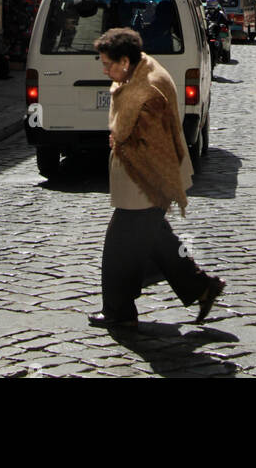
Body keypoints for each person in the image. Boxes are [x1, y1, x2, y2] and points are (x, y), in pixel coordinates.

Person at [90, 27, 225, 329]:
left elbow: (153, 145)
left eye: (107, 63)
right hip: (147, 181)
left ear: (124, 61)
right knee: (156, 240)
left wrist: (122, 143)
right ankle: (202, 287)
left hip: (148, 181)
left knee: (119, 247)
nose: (104, 69)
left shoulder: (146, 89)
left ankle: (119, 311)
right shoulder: (140, 69)